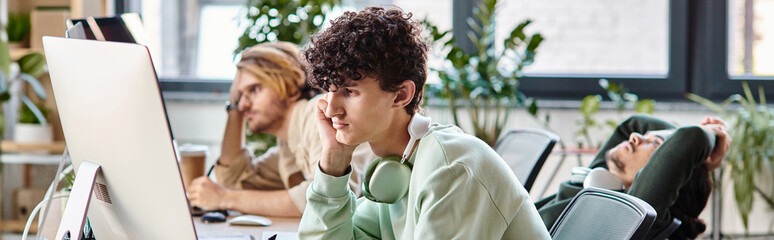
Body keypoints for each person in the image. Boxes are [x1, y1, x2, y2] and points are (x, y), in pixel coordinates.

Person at [297, 7, 550, 239]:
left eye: (349, 91)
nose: (330, 109)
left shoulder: (452, 168)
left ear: (401, 95)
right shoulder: (396, 169)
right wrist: (334, 162)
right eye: (328, 90)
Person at [186, 41, 375, 217]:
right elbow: (234, 181)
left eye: (254, 90)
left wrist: (224, 198)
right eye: (239, 96)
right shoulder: (287, 147)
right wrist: (233, 107)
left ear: (290, 85)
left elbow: (328, 197)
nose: (243, 105)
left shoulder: (317, 114)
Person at [535, 115, 731, 239]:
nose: (635, 137)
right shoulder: (599, 185)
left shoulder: (630, 217)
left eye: (654, 145)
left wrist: (712, 136)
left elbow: (691, 138)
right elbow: (632, 124)